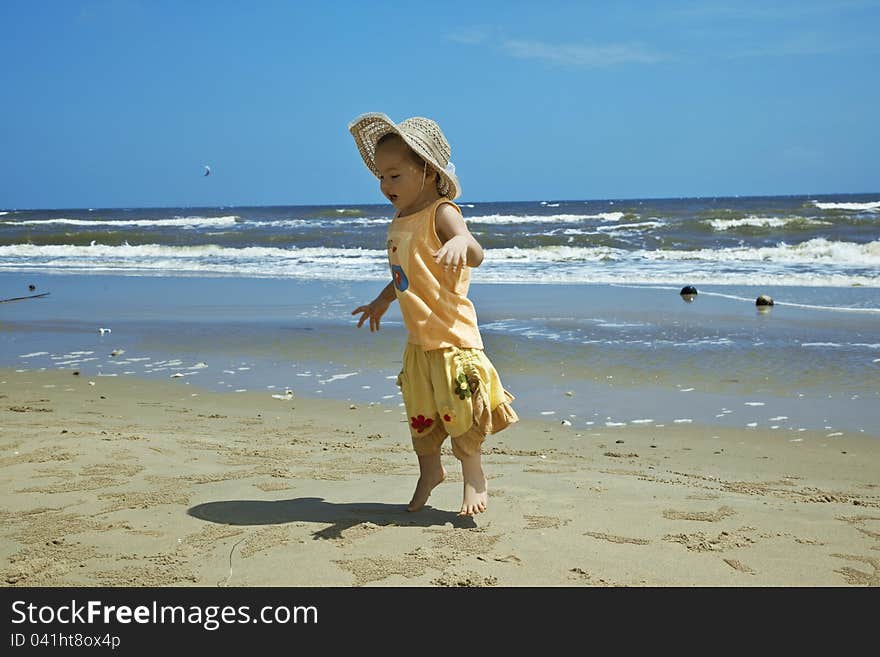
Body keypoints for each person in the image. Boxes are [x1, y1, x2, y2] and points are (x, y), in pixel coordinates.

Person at [349, 113, 519, 516]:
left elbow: (474, 250)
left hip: (452, 340)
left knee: (462, 414)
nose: (385, 185)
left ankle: (473, 476)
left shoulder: (442, 212)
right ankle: (430, 472)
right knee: (422, 420)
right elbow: (405, 276)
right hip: (420, 343)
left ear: (426, 171)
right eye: (381, 177)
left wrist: (462, 243)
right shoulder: (400, 219)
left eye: (394, 175)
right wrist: (382, 301)